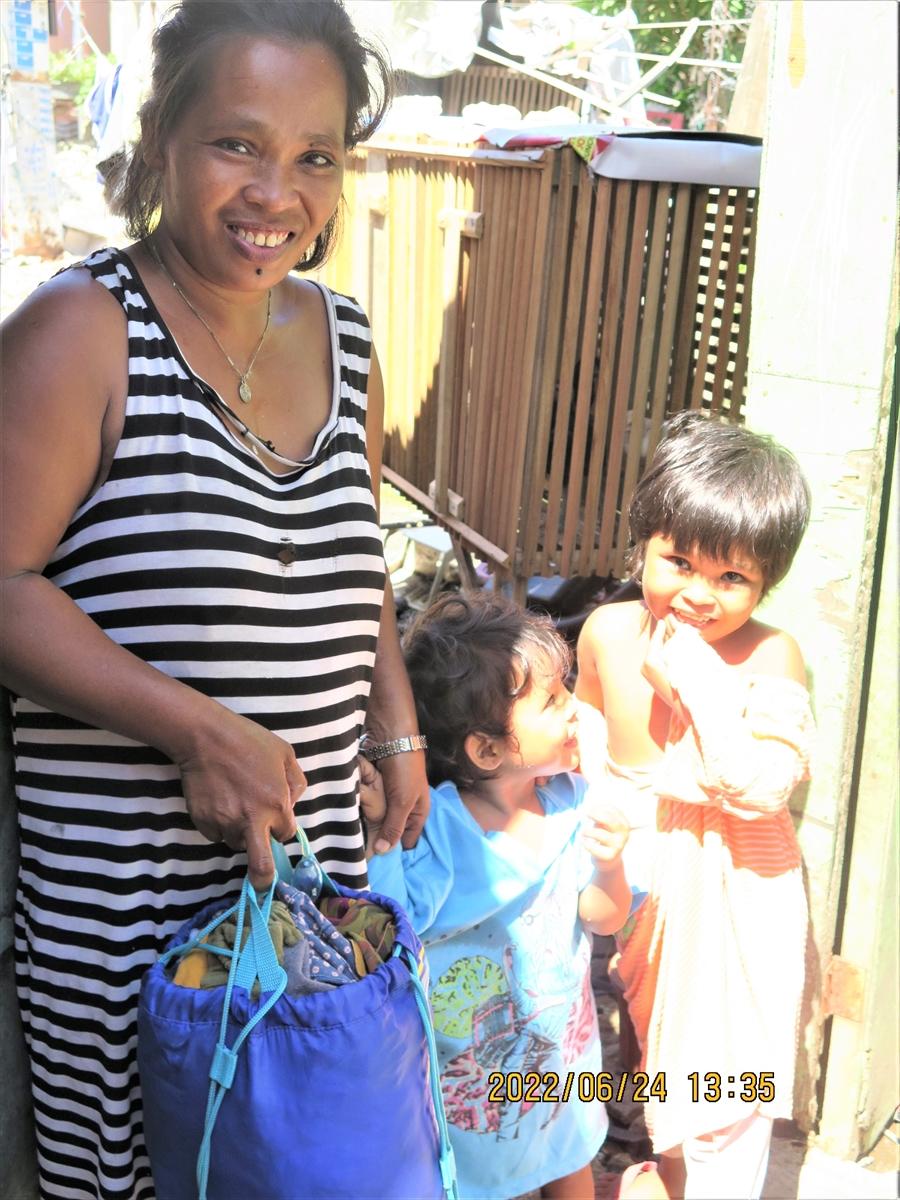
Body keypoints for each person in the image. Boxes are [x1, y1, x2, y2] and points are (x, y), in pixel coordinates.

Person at [0, 3, 430, 1196]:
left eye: (315, 156)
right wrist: (198, 731)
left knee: (306, 1167)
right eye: (238, 143)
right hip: (130, 918)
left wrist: (395, 725)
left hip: (306, 885)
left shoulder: (346, 341)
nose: (275, 194)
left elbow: (358, 560)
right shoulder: (80, 332)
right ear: (162, 139)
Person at [575, 412, 815, 1200]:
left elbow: (762, 784)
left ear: (767, 583)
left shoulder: (770, 655)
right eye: (678, 562)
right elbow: (580, 742)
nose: (699, 595)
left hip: (729, 907)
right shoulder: (607, 633)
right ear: (641, 543)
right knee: (659, 1082)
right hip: (629, 901)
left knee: (723, 1100)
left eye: (731, 578)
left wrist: (696, 683)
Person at [360, 593, 633, 1200]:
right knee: (477, 1180)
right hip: (473, 1083)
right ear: (487, 750)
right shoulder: (441, 828)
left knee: (569, 1160)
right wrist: (383, 834)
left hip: (561, 1067)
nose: (575, 708)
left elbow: (603, 918)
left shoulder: (572, 801)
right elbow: (399, 921)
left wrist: (611, 866)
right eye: (554, 700)